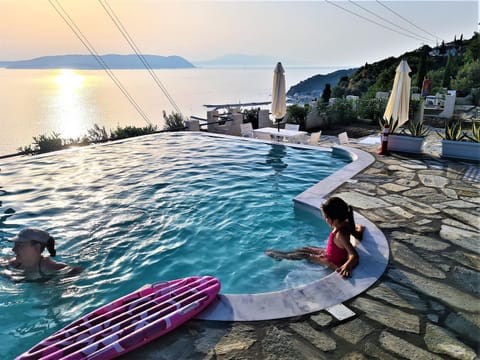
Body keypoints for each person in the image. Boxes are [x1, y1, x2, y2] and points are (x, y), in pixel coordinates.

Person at [265, 197, 364, 278]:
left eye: (326, 217)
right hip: (329, 254)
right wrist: (359, 229)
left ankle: (283, 256)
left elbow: (354, 255)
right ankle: (284, 254)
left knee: (304, 255)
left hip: (331, 262)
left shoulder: (340, 234)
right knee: (306, 249)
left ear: (335, 219)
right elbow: (357, 232)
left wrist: (346, 266)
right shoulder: (344, 224)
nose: (325, 219)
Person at [3, 228, 83, 280]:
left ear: (37, 247)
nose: (13, 249)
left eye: (19, 245)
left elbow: (77, 271)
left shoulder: (50, 267)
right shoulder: (12, 263)